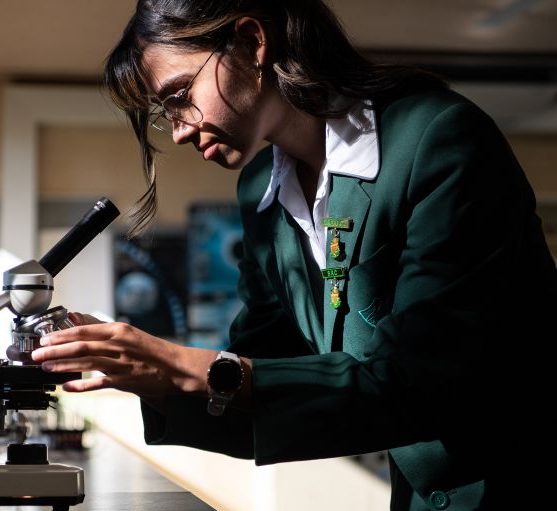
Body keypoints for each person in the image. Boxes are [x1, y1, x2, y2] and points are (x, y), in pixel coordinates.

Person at [32, 1, 557, 509]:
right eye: (164, 114)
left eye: (181, 95)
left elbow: (418, 382)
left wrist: (180, 363)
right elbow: (256, 383)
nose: (180, 130)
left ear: (252, 42)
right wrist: (145, 374)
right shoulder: (262, 195)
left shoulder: (437, 140)